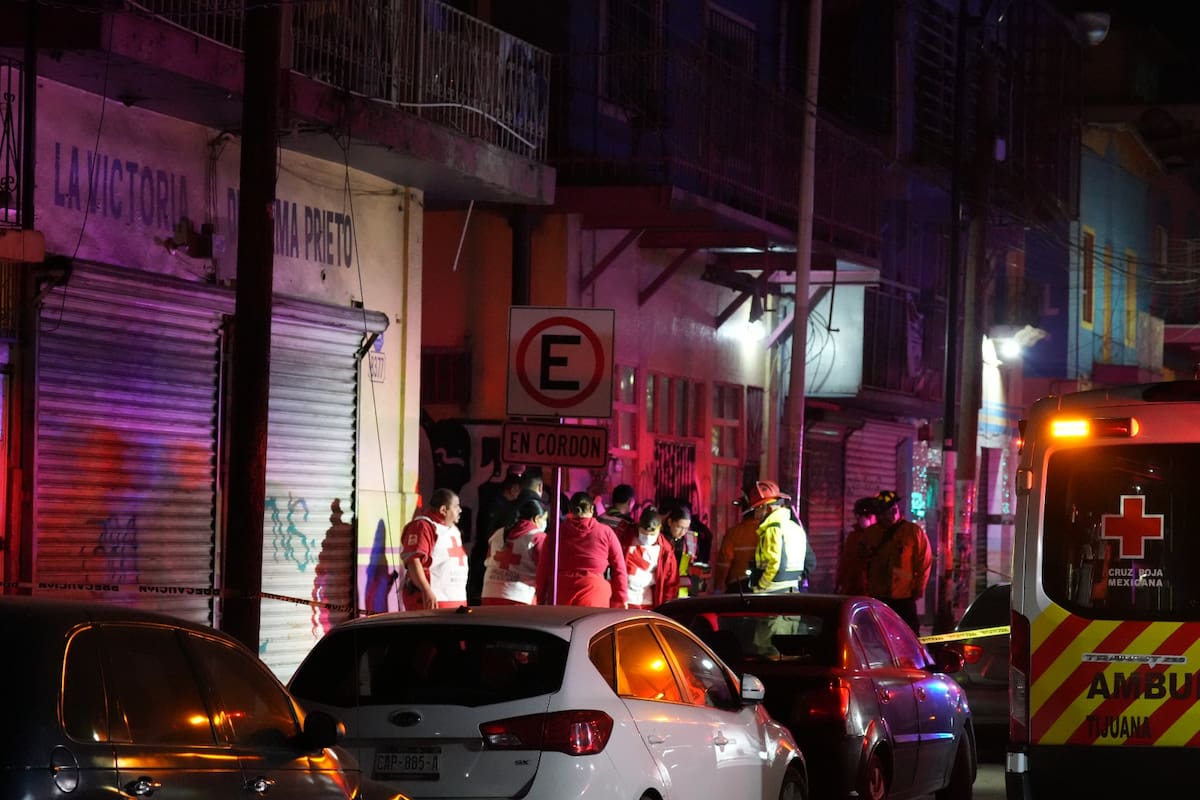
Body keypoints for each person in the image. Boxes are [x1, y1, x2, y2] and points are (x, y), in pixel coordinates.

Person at [536, 491, 629, 608]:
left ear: (570, 510)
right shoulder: (605, 532)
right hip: (594, 595)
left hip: (561, 593)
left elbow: (543, 567)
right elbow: (619, 567)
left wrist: (540, 597)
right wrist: (621, 598)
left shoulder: (556, 532)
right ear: (591, 509)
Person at [864, 490, 933, 634]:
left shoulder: (913, 532)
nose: (884, 517)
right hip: (878, 596)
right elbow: (861, 561)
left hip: (903, 597)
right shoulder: (870, 534)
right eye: (881, 514)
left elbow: (924, 562)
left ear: (896, 510)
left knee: (910, 634)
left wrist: (919, 587)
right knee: (879, 635)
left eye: (888, 512)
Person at [400, 488, 469, 610]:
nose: (460, 510)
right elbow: (413, 561)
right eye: (456, 506)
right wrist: (426, 590)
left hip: (455, 602)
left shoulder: (453, 530)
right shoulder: (423, 526)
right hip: (433, 602)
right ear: (443, 510)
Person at [467, 470, 523, 605]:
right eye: (518, 491)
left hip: (482, 554)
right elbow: (490, 534)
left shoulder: (492, 503)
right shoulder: (501, 508)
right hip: (486, 555)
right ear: (513, 489)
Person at [745, 480, 809, 594]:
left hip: (772, 591)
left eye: (758, 508)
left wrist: (761, 586)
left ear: (768, 508)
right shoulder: (795, 528)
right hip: (792, 589)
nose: (755, 514)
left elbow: (774, 563)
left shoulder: (772, 529)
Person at [480, 498, 548, 605]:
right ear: (536, 518)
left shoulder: (498, 533)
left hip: (489, 595)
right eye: (544, 519)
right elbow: (544, 572)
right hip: (519, 598)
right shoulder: (538, 537)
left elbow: (488, 559)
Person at [619, 506, 679, 608]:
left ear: (660, 528)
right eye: (643, 533)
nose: (647, 537)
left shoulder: (666, 551)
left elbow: (670, 583)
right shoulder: (624, 538)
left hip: (648, 602)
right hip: (624, 600)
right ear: (638, 526)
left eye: (652, 534)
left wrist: (666, 608)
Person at [711, 491, 760, 593]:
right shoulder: (765, 531)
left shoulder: (734, 533)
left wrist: (718, 586)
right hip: (761, 584)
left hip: (737, 585)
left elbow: (724, 562)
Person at [834, 496, 879, 595]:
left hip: (873, 593)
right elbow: (845, 563)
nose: (863, 519)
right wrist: (839, 584)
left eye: (867, 516)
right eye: (860, 516)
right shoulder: (853, 537)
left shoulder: (880, 537)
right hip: (853, 591)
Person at [664, 505, 708, 597]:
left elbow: (696, 566)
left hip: (682, 594)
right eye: (679, 527)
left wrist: (695, 593)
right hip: (664, 590)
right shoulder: (660, 539)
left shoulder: (690, 540)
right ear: (670, 522)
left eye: (686, 528)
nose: (682, 532)